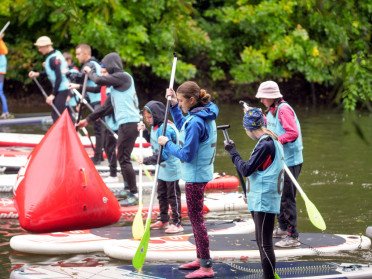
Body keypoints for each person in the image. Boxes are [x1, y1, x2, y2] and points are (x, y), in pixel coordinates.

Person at [158, 81, 218, 279]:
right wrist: (174, 105)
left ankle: (206, 266)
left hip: (195, 176)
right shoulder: (203, 113)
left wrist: (167, 144)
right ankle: (200, 258)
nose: (182, 104)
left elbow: (186, 154)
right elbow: (184, 125)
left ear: (192, 100)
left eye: (182, 101)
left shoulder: (196, 121)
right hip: (200, 173)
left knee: (196, 219)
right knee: (194, 218)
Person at [223, 107, 284, 279]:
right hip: (262, 196)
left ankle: (269, 277)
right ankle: (269, 275)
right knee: (260, 241)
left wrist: (233, 151)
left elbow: (246, 169)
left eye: (245, 129)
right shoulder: (271, 138)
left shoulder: (265, 144)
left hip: (265, 198)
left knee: (265, 244)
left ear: (249, 128)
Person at [76, 52, 140, 206]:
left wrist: (89, 71)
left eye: (105, 66)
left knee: (123, 158)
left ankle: (134, 194)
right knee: (121, 156)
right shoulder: (116, 87)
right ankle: (127, 189)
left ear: (112, 65)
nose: (103, 69)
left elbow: (98, 79)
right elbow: (105, 108)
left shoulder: (124, 77)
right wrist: (87, 120)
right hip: (124, 124)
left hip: (130, 123)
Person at [255, 80, 303, 248]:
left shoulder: (284, 110)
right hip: (279, 161)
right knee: (278, 195)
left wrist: (277, 141)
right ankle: (282, 228)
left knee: (287, 198)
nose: (261, 101)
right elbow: (267, 130)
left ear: (272, 97)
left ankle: (293, 236)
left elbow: (292, 133)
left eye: (263, 98)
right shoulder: (270, 111)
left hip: (291, 161)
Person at [138, 100, 183, 234]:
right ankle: (164, 219)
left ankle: (177, 222)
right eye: (146, 117)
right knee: (161, 194)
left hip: (170, 167)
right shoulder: (155, 127)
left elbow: (164, 154)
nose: (148, 119)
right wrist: (145, 131)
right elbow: (153, 141)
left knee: (172, 196)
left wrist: (146, 160)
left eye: (150, 117)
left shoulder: (166, 129)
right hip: (161, 168)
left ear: (157, 115)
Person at [69, 44, 104, 165]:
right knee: (98, 129)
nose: (77, 57)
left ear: (86, 54)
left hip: (100, 101)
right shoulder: (95, 64)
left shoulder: (89, 65)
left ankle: (98, 158)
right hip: (97, 100)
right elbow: (89, 85)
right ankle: (100, 156)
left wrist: (67, 73)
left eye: (78, 54)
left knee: (98, 129)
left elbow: (80, 79)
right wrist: (81, 103)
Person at [28, 36, 70, 123]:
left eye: (40, 47)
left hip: (62, 89)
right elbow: (51, 73)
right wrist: (37, 74)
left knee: (57, 116)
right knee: (55, 115)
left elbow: (59, 77)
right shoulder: (55, 54)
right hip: (61, 89)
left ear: (47, 46)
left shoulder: (52, 59)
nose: (39, 50)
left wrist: (52, 95)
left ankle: (63, 136)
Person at [0, 33, 12, 119]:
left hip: (0, 73)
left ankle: (6, 112)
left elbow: (5, 51)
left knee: (0, 92)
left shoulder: (1, 47)